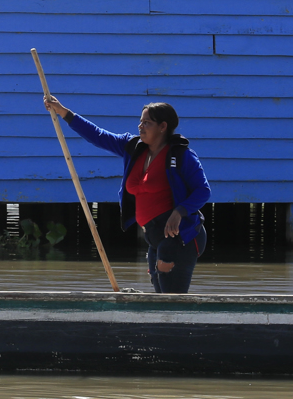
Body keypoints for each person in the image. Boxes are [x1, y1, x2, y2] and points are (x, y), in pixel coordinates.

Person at [44, 96, 210, 294]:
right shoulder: (133, 148)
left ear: (163, 127)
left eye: (147, 123)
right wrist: (63, 111)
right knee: (160, 300)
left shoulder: (182, 155)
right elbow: (98, 135)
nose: (140, 126)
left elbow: (203, 190)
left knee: (171, 302)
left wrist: (179, 212)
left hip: (181, 238)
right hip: (155, 239)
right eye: (141, 121)